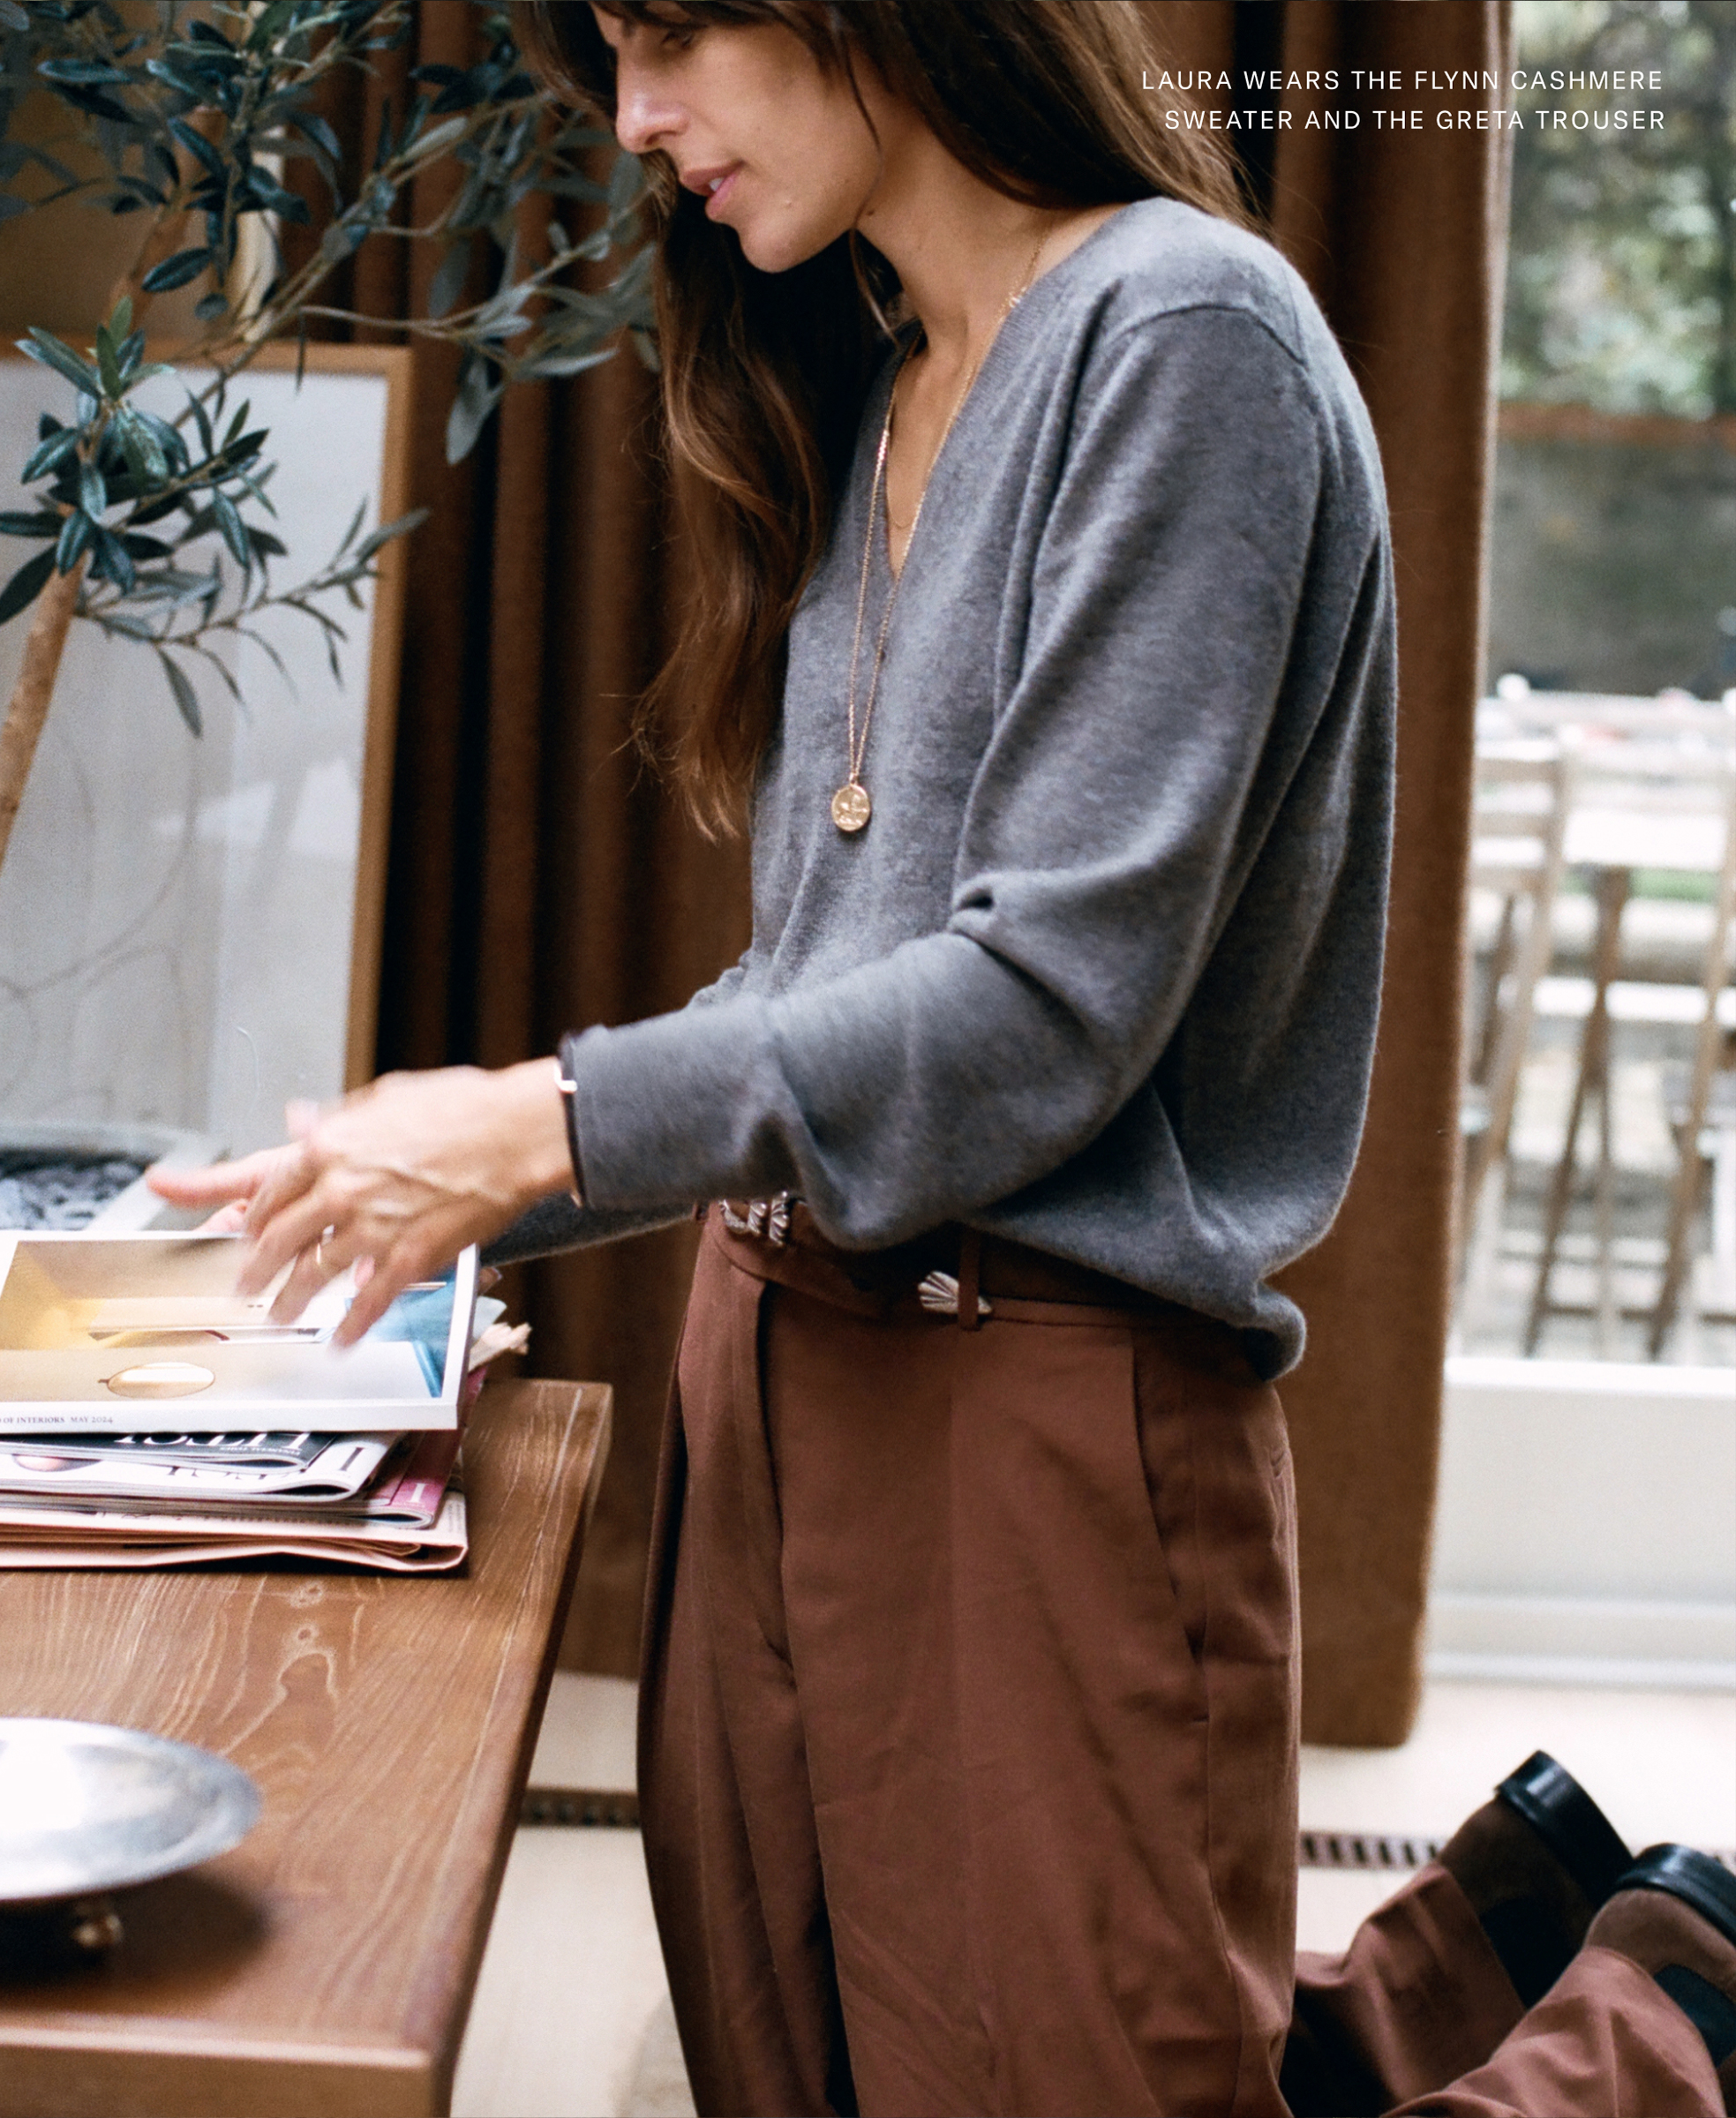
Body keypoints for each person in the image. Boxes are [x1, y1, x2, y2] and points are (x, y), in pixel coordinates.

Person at [151, 5, 1736, 2113]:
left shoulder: (1185, 340)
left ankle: (1664, 2019)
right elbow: (821, 977)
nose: (636, 123)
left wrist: (533, 1131)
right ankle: (1501, 1922)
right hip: (778, 1367)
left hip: (1042, 1411)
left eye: (673, 31)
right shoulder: (894, 381)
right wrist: (423, 1173)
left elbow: (1042, 1004)